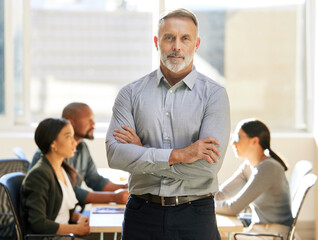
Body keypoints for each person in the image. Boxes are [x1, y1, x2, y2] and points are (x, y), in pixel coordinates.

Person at [106, 8, 231, 240]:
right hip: (141, 214)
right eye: (169, 38)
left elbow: (207, 167)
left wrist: (142, 153)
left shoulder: (214, 95)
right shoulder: (130, 94)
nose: (177, 46)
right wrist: (180, 154)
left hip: (195, 214)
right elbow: (116, 156)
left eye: (185, 38)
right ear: (157, 42)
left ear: (197, 44)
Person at [30, 102, 129, 208]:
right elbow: (67, 190)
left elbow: (95, 180)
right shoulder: (52, 153)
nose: (93, 124)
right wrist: (114, 197)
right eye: (89, 120)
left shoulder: (82, 147)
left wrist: (126, 188)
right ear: (70, 123)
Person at [215, 119, 293, 239]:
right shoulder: (248, 166)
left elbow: (233, 208)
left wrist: (205, 206)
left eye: (237, 138)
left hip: (272, 234)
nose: (232, 143)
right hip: (258, 229)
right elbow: (221, 194)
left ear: (254, 141)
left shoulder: (268, 167)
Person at [20, 118, 91, 237]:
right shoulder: (39, 174)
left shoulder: (62, 169)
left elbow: (59, 211)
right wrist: (76, 229)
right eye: (68, 137)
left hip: (65, 235)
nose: (74, 142)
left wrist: (79, 217)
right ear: (53, 143)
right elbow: (38, 223)